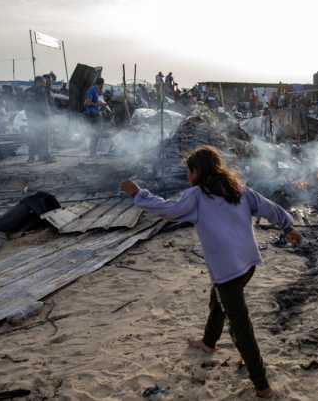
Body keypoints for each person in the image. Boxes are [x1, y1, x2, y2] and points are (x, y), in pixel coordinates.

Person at [119, 146, 303, 399]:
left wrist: (139, 194)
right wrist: (287, 227)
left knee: (240, 326)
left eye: (188, 171)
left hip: (228, 269)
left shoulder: (196, 196)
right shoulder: (238, 189)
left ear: (195, 171)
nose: (187, 176)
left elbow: (167, 210)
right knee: (217, 297)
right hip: (248, 264)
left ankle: (262, 386)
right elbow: (269, 207)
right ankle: (208, 342)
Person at [23, 76, 54, 163]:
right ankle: (46, 157)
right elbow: (45, 107)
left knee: (32, 138)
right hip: (41, 119)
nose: (44, 85)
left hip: (31, 119)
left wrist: (28, 117)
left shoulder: (26, 92)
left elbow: (25, 107)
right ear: (38, 82)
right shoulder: (41, 92)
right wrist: (49, 119)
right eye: (43, 83)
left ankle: (31, 158)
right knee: (44, 138)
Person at [85, 77, 108, 158]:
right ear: (102, 84)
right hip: (92, 114)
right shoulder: (92, 90)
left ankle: (93, 152)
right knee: (94, 134)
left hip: (96, 113)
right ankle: (92, 153)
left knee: (96, 134)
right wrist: (101, 105)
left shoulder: (97, 91)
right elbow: (89, 102)